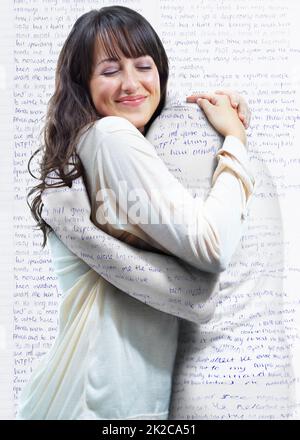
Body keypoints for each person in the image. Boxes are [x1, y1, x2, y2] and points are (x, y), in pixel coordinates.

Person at [17, 6, 254, 420]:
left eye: (144, 66)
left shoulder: (95, 149)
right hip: (95, 402)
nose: (132, 83)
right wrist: (234, 141)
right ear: (83, 83)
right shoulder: (111, 136)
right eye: (109, 70)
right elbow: (211, 249)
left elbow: (193, 294)